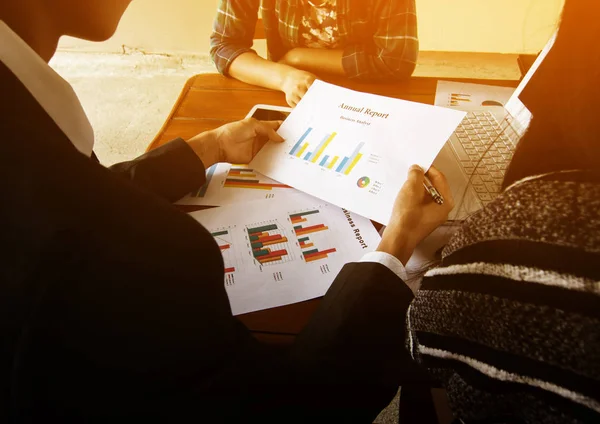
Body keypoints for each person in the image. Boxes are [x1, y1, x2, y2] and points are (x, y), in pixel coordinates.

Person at [0, 0, 445, 422]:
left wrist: (203, 148)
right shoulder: (149, 257)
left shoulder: (33, 147)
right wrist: (394, 244)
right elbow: (290, 408)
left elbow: (71, 199)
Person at [209, 0, 418, 106]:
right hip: (291, 94)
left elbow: (396, 61)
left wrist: (297, 57)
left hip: (367, 93)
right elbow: (224, 46)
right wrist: (286, 77)